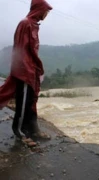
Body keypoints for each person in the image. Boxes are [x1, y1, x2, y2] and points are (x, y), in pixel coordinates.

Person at [0, 0, 53, 147]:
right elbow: (21, 50)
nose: (46, 14)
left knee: (31, 101)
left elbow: (32, 52)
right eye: (46, 11)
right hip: (24, 71)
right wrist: (25, 71)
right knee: (23, 103)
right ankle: (20, 132)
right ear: (39, 9)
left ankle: (33, 129)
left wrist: (37, 67)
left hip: (31, 70)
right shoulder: (25, 24)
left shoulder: (34, 25)